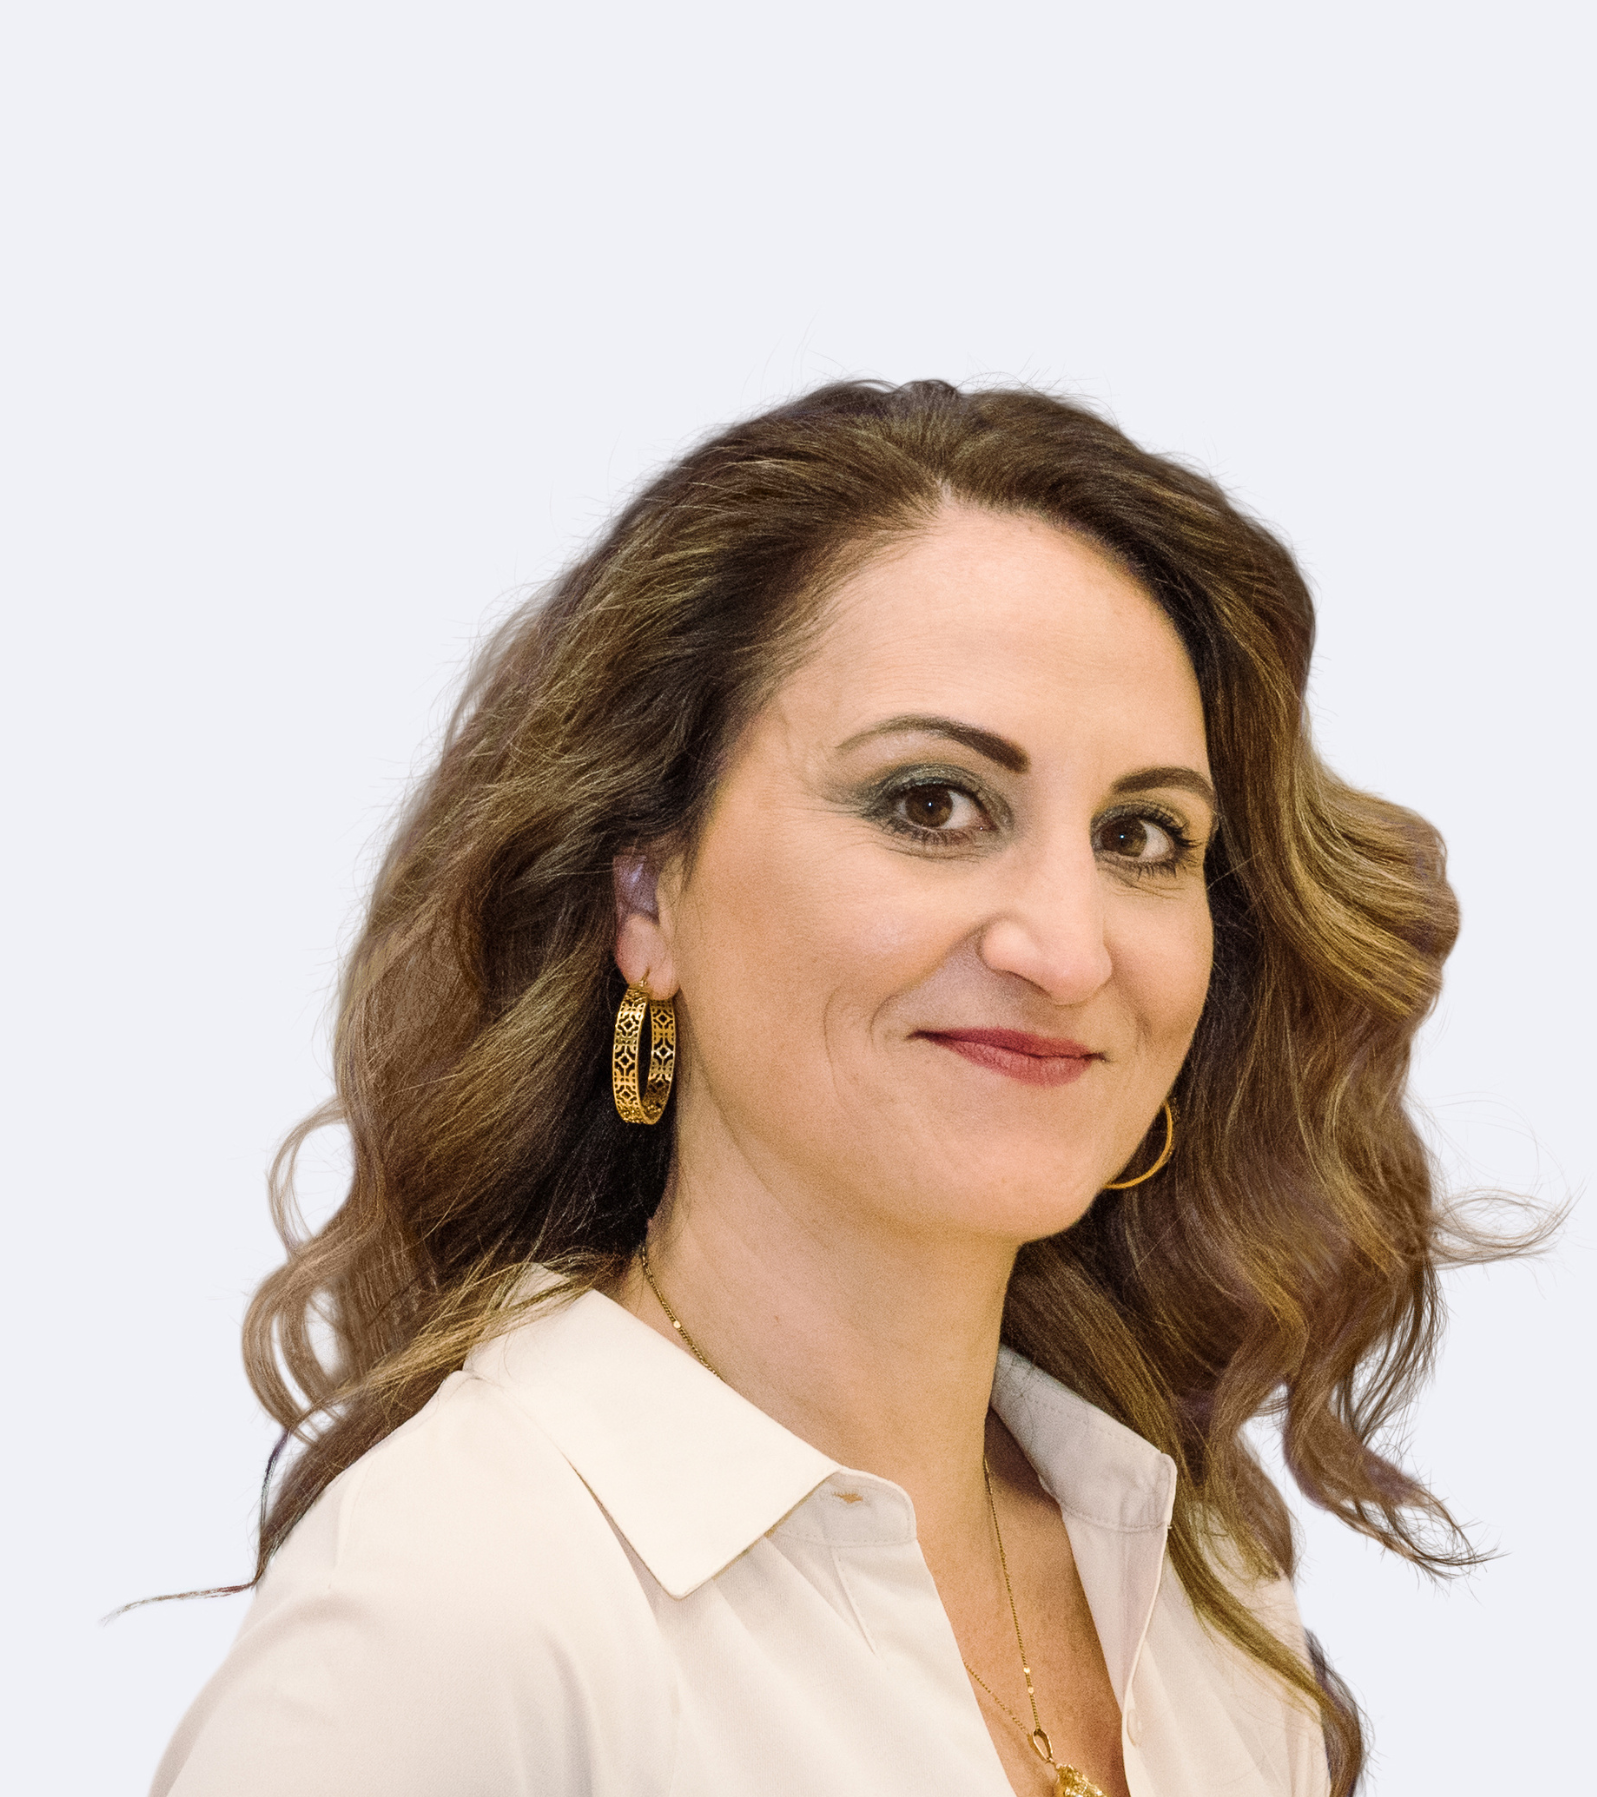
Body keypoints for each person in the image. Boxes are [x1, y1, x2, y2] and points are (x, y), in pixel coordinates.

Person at [150, 379, 1488, 1797]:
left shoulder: (1194, 1582)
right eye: (931, 804)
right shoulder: (454, 1616)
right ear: (645, 897)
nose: (1068, 948)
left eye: (1142, 835)